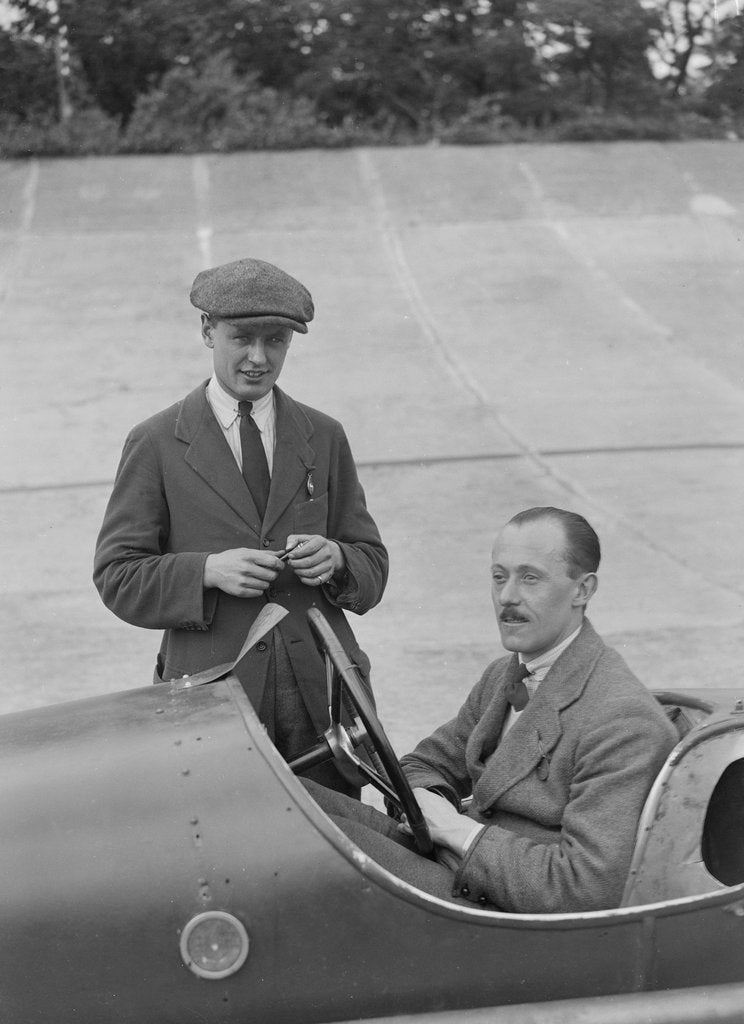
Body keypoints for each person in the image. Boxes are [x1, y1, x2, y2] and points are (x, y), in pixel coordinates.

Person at [94, 257, 388, 796]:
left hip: (319, 702)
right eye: (241, 338)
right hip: (212, 703)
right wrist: (206, 571)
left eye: (275, 340)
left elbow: (372, 564)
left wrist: (339, 559)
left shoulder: (323, 436)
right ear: (206, 330)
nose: (258, 358)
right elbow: (117, 576)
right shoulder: (156, 443)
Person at [304, 507, 678, 912]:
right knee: (289, 801)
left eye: (530, 578)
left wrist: (454, 830)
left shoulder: (623, 720)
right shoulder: (506, 675)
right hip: (454, 866)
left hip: (497, 911)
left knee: (304, 845)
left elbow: (585, 889)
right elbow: (423, 764)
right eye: (499, 577)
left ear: (583, 590)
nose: (507, 597)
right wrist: (429, 806)